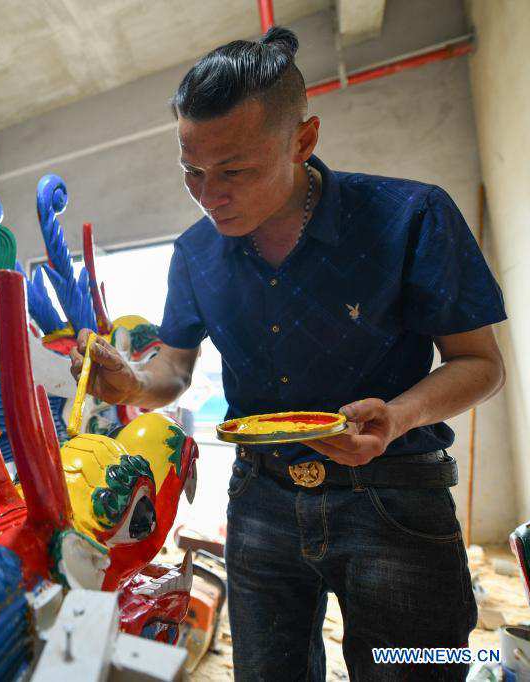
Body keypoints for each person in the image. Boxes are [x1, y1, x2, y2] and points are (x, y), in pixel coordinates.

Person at [69, 26, 506, 681]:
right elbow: (175, 370)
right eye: (192, 172)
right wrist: (132, 383)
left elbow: (481, 365)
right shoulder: (194, 253)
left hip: (396, 500)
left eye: (234, 171)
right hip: (260, 501)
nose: (209, 195)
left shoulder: (409, 215)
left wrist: (398, 417)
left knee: (417, 666)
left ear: (302, 140)